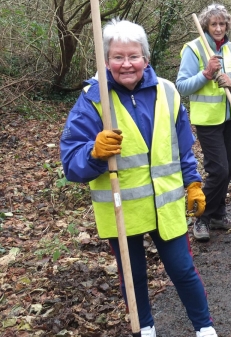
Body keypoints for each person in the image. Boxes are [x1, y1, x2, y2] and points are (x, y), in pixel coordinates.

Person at [60, 19, 218, 337]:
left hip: (166, 204)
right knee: (132, 277)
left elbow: (182, 149)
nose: (127, 64)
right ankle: (144, 329)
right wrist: (94, 153)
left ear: (146, 58)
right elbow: (70, 163)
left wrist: (193, 183)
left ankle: (204, 329)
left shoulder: (168, 92)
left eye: (134, 56)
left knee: (183, 269)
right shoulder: (94, 100)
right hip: (123, 208)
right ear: (107, 61)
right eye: (118, 57)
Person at [176, 4, 231, 242]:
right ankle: (202, 217)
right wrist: (206, 73)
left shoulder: (230, 48)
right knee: (218, 170)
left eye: (222, 24)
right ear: (206, 25)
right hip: (208, 120)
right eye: (213, 24)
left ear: (227, 25)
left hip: (230, 117)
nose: (218, 28)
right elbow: (182, 86)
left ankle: (218, 214)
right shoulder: (194, 48)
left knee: (227, 170)